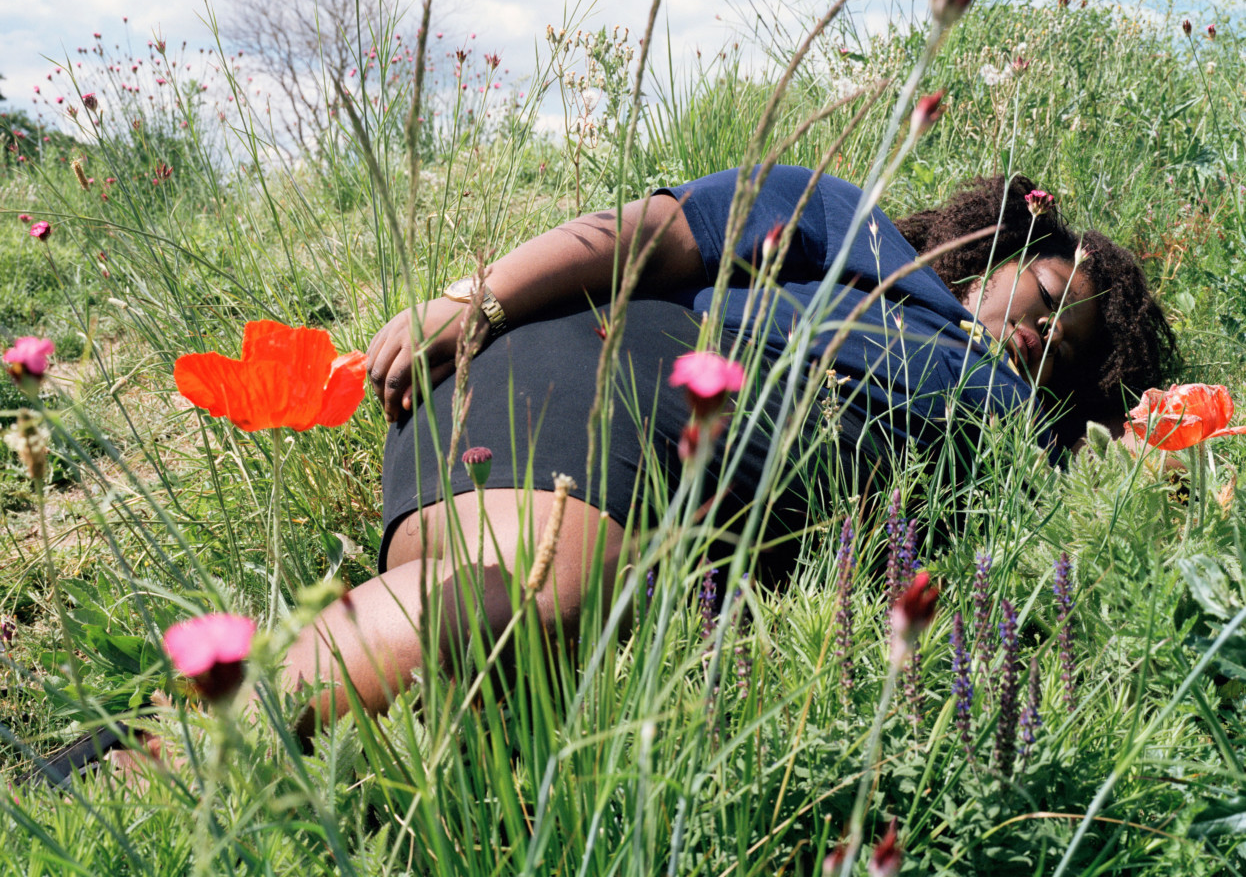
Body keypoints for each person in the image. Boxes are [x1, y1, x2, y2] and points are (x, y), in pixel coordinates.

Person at [282, 165, 1176, 732]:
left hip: (672, 513)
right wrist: (476, 299)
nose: (1046, 331)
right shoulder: (867, 237)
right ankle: (212, 753)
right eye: (1048, 295)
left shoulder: (1031, 443)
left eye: (1070, 347)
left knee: (511, 652)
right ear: (1000, 254)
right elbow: (662, 232)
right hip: (631, 375)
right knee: (533, 597)